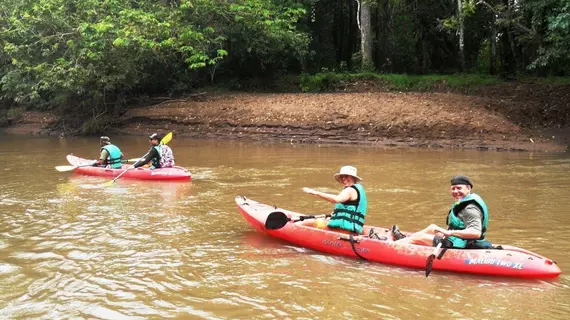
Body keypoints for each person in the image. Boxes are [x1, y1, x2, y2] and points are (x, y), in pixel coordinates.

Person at [392, 175, 490, 249]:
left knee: (419, 237)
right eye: (453, 189)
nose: (455, 191)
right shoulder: (466, 201)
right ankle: (403, 240)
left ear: (468, 188)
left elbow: (476, 232)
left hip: (463, 244)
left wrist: (450, 233)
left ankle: (392, 247)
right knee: (432, 228)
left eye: (459, 188)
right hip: (458, 240)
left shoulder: (470, 209)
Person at [302, 165, 368, 234]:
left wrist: (316, 193)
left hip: (344, 230)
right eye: (342, 176)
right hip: (351, 230)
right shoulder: (355, 189)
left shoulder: (350, 190)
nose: (343, 178)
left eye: (346, 176)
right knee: (323, 220)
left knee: (309, 223)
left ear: (353, 177)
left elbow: (336, 199)